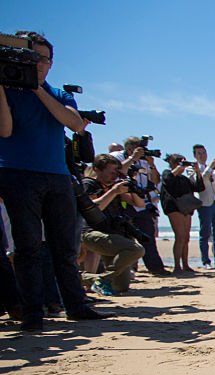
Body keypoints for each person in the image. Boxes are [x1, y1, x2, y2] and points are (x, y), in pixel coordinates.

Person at [0, 30, 110, 330]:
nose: (38, 65)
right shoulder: (7, 90)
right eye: (32, 58)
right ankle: (33, 313)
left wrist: (37, 89)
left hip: (58, 176)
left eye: (44, 60)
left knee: (65, 248)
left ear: (51, 63)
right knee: (27, 247)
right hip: (17, 174)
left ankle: (75, 306)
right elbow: (5, 130)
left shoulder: (59, 94)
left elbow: (75, 124)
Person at [79, 154, 146, 294]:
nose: (114, 176)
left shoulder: (114, 187)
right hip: (91, 233)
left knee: (121, 287)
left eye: (117, 172)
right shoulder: (89, 184)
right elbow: (92, 209)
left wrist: (132, 187)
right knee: (136, 249)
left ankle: (88, 278)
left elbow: (140, 204)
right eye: (111, 172)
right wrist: (113, 191)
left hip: (112, 233)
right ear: (97, 170)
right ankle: (100, 279)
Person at [117, 137, 168, 275]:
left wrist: (151, 165)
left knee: (147, 235)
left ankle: (156, 268)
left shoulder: (144, 162)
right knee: (125, 236)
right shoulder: (118, 157)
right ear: (129, 148)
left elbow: (156, 180)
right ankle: (126, 269)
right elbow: (118, 171)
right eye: (139, 148)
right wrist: (133, 158)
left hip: (142, 201)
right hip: (124, 200)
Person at [160, 154, 204, 273]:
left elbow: (199, 188)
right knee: (180, 237)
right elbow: (167, 181)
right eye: (179, 162)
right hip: (174, 207)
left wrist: (197, 172)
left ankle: (185, 265)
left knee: (186, 237)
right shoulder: (167, 173)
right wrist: (178, 169)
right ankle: (177, 266)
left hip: (186, 208)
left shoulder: (184, 179)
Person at [193, 144, 215, 268]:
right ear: (195, 155)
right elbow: (200, 181)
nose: (202, 155)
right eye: (199, 153)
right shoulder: (194, 168)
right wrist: (209, 167)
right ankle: (205, 261)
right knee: (205, 232)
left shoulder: (213, 170)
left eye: (204, 153)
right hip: (204, 203)